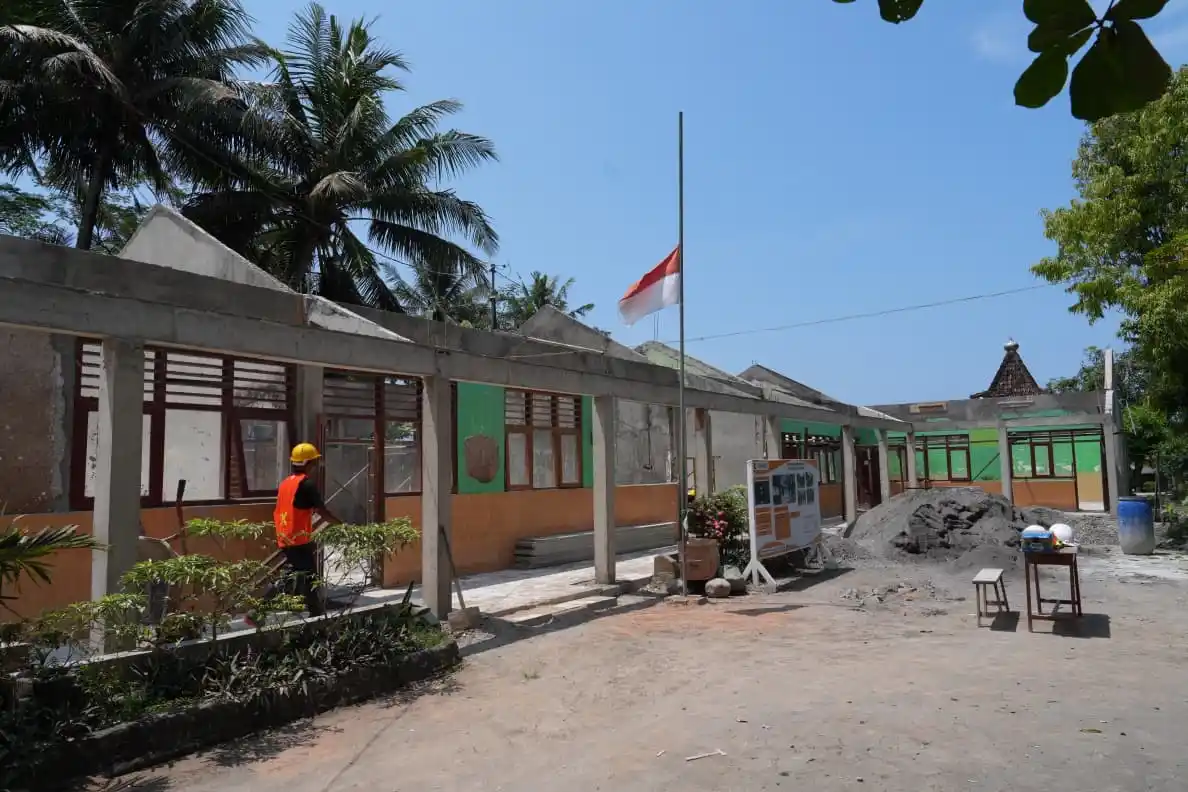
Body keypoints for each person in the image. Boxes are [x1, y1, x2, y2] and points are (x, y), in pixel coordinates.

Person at [253, 443, 342, 624]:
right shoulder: (307, 485)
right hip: (299, 539)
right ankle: (257, 611)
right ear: (309, 463)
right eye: (315, 462)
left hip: (285, 536)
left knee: (304, 575)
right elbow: (322, 512)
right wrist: (341, 525)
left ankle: (315, 611)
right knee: (299, 576)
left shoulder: (286, 483)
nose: (316, 466)